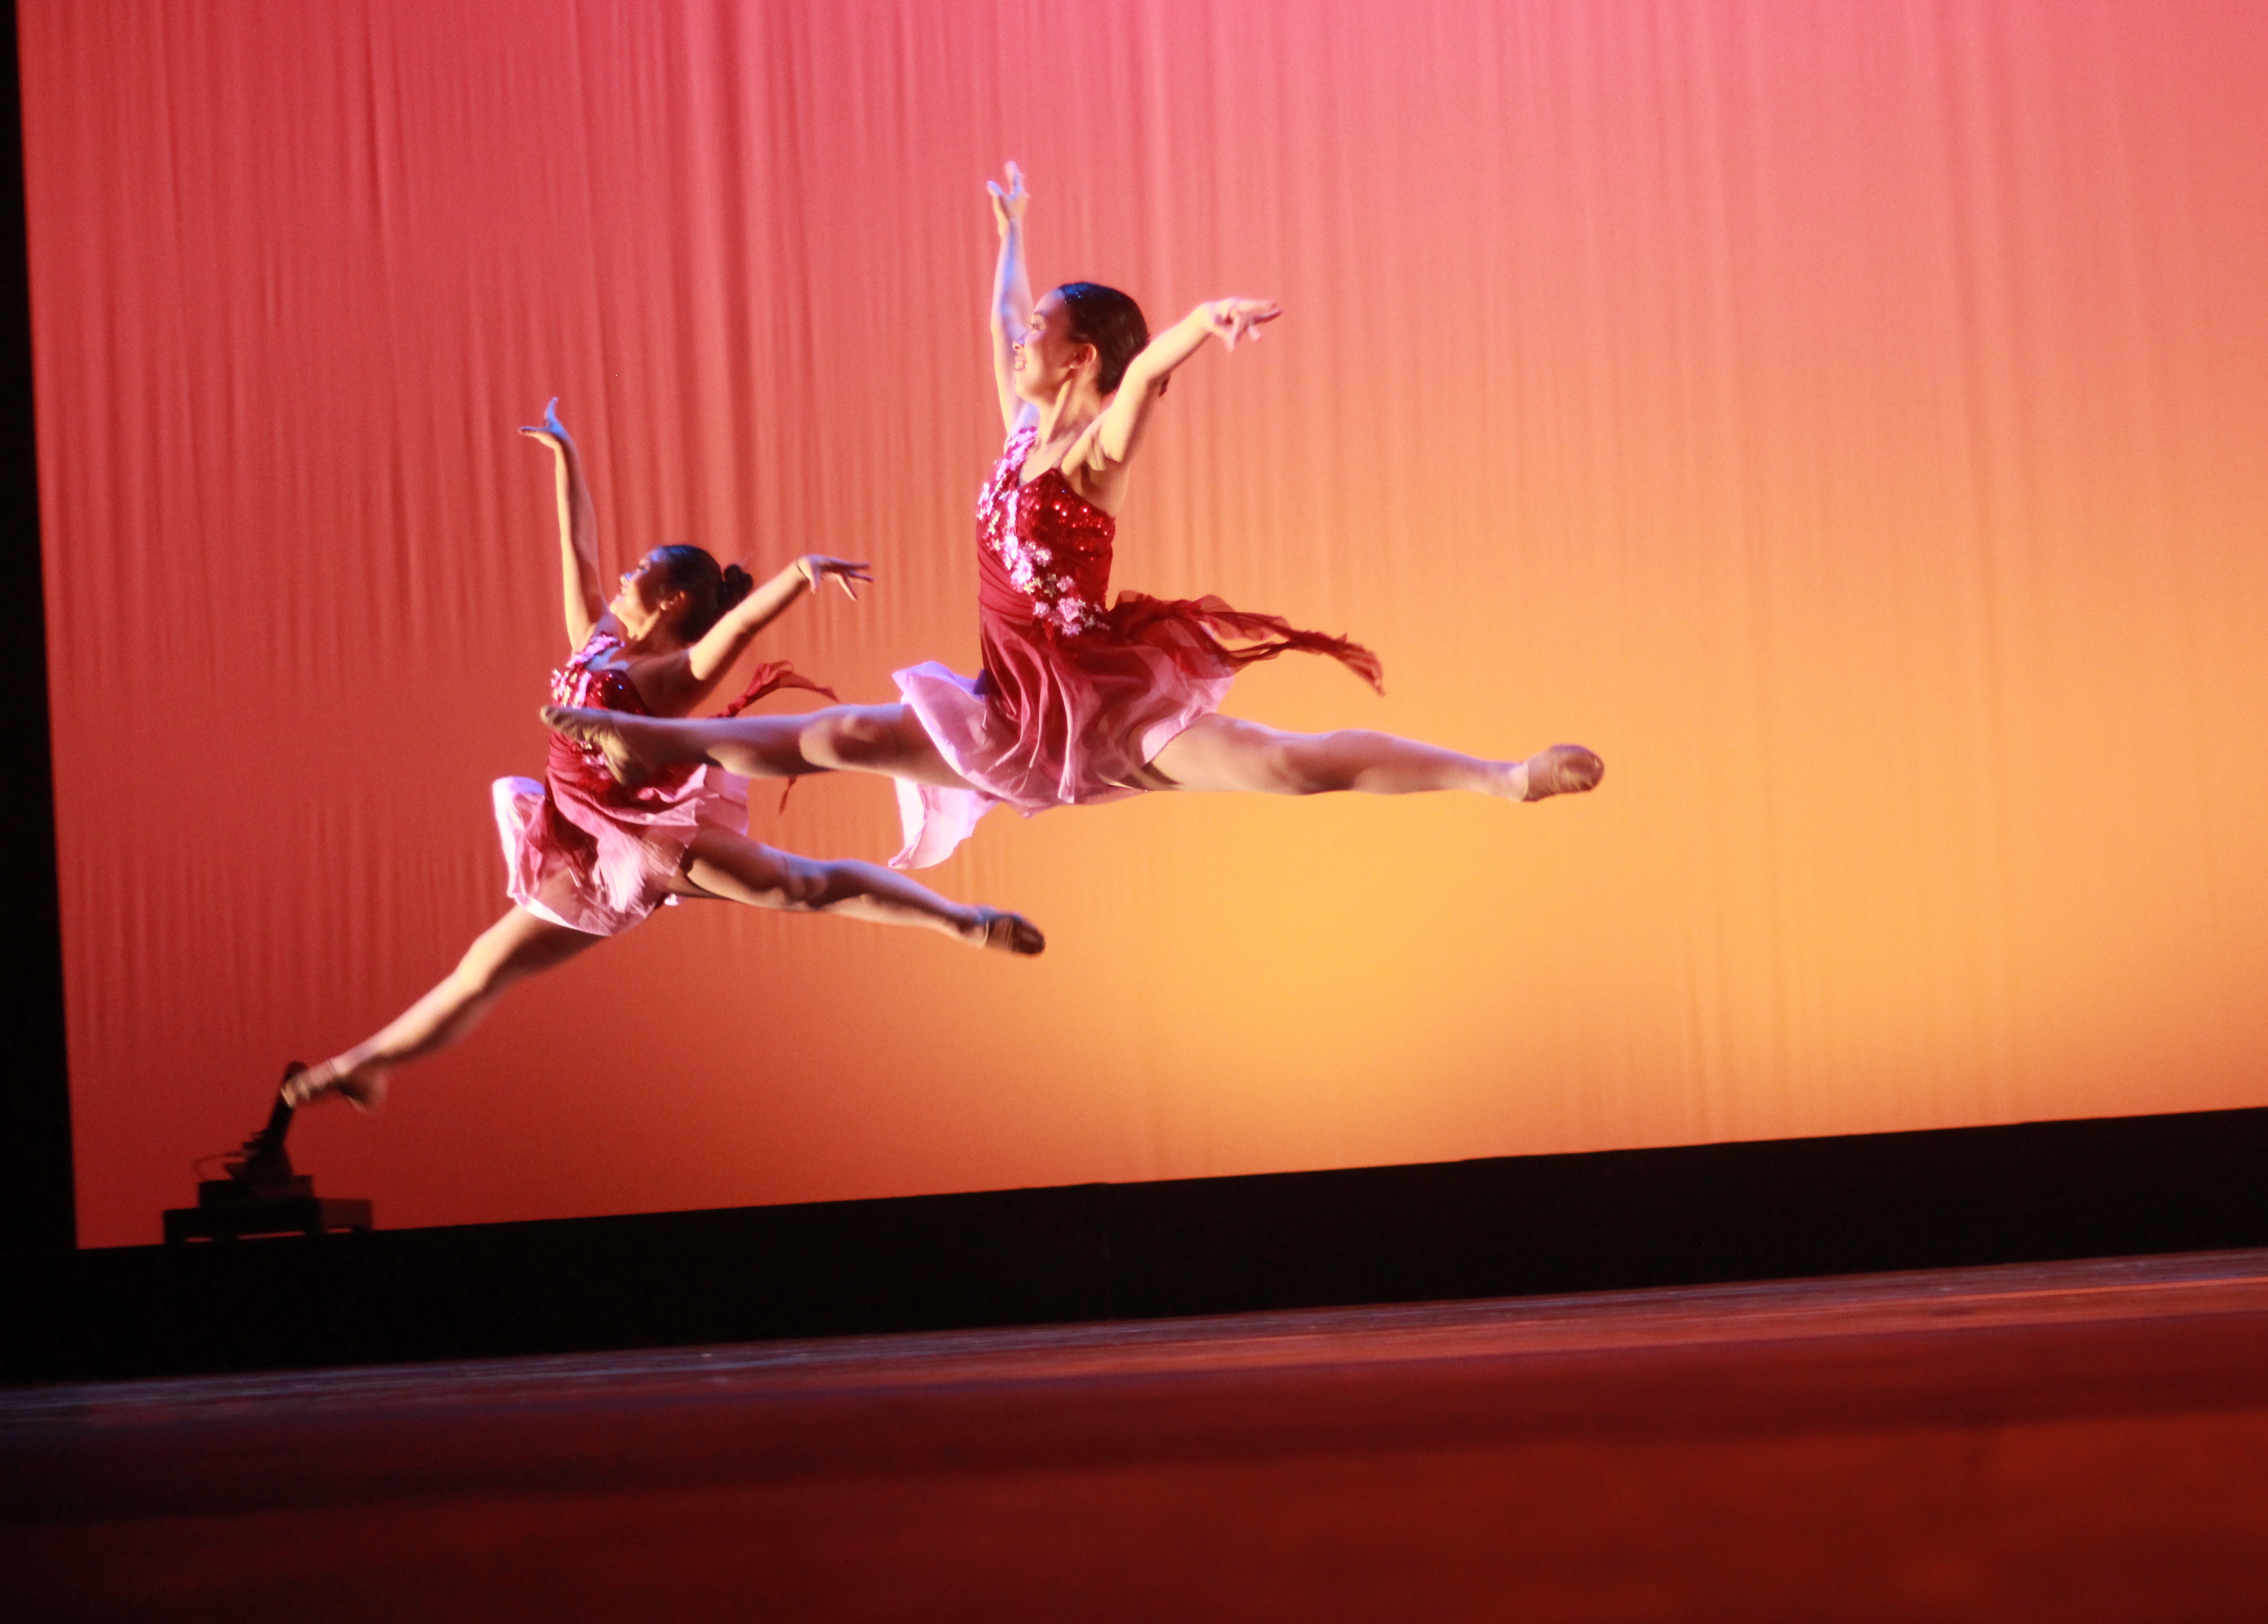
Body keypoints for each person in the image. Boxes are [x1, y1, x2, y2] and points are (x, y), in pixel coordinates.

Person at [543, 164, 1602, 872]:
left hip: (1101, 704)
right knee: (841, 737)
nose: (1018, 341)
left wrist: (1197, 322)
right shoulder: (1020, 427)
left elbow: (1139, 392)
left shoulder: (1092, 455)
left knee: (1287, 765)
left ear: (1081, 359)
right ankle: (641, 737)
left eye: (1041, 331)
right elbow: (1001, 317)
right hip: (1008, 703)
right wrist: (1012, 237)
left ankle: (1501, 779)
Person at [283, 401, 1042, 1113]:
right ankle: (365, 1068)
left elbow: (731, 638)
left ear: (674, 599)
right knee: (485, 968)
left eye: (639, 569)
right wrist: (566, 464)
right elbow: (579, 557)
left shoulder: (665, 679)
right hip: (582, 840)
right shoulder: (601, 643)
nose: (621, 578)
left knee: (802, 887)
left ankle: (964, 921)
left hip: (640, 843)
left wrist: (796, 577)